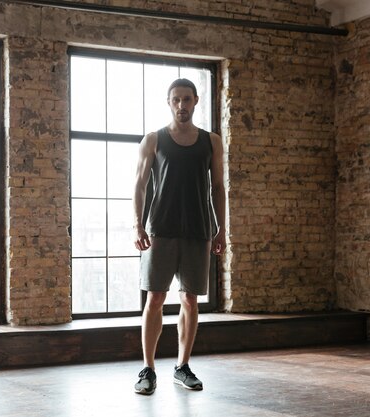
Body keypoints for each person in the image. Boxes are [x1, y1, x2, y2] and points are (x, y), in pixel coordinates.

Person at [132, 78, 226, 395]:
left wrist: (221, 228)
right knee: (155, 298)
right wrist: (137, 224)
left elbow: (218, 188)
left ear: (195, 101)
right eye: (176, 100)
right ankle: (148, 368)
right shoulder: (154, 140)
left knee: (189, 299)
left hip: (199, 229)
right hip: (160, 229)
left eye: (187, 99)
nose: (182, 105)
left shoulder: (211, 141)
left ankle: (182, 366)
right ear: (169, 102)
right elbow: (140, 185)